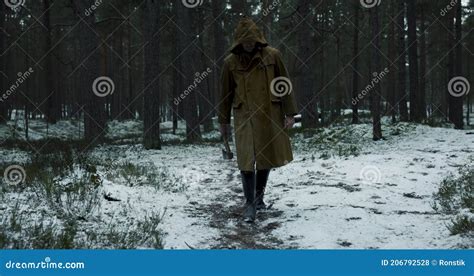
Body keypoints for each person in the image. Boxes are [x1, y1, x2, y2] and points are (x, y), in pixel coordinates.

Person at [218, 18, 298, 223]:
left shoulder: (273, 55)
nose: (249, 45)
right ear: (238, 42)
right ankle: (249, 204)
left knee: (265, 158)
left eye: (252, 41)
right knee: (246, 160)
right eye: (245, 42)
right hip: (244, 115)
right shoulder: (230, 63)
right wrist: (223, 121)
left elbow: (284, 84)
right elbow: (225, 95)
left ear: (258, 40)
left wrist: (290, 113)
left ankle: (259, 199)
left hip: (268, 113)